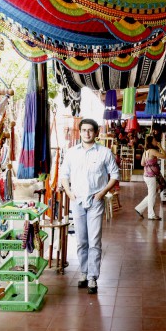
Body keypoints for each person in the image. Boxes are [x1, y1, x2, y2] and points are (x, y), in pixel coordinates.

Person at [59, 119, 119, 294]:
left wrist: (102, 193)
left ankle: (93, 276)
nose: (87, 133)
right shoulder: (71, 153)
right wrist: (69, 193)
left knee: (94, 241)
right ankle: (83, 273)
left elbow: (115, 174)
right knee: (81, 241)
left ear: (96, 132)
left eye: (90, 130)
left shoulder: (104, 152)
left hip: (95, 201)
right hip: (77, 201)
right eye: (84, 130)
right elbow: (64, 174)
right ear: (80, 132)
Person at [135, 135, 166, 220]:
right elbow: (164, 156)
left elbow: (142, 163)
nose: (156, 142)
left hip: (147, 175)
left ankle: (139, 208)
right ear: (151, 142)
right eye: (154, 140)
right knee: (152, 195)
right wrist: (160, 147)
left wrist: (149, 164)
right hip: (151, 177)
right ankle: (151, 214)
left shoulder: (146, 152)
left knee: (151, 194)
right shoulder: (152, 151)